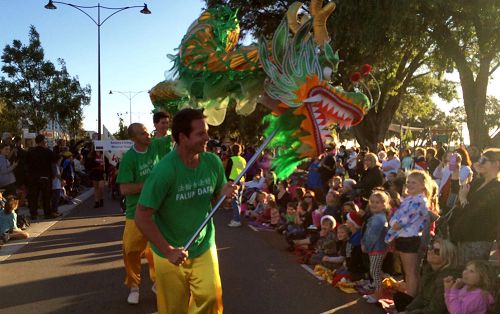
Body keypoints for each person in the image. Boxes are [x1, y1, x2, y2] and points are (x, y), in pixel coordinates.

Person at [135, 108, 236, 314]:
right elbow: (142, 216)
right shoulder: (164, 171)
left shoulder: (213, 163)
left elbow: (220, 200)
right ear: (182, 137)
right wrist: (168, 250)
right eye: (201, 133)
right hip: (168, 252)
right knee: (173, 309)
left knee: (211, 298)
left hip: (203, 246)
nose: (207, 137)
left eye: (207, 131)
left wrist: (226, 197)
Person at [116, 123, 172, 304]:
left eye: (148, 132)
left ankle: (159, 283)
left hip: (159, 211)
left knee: (159, 251)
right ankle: (134, 286)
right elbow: (124, 189)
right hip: (136, 213)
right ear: (133, 138)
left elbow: (174, 137)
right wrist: (150, 184)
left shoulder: (155, 145)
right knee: (130, 250)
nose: (148, 136)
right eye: (143, 134)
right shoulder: (129, 159)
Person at [385, 170, 432, 297]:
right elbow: (398, 215)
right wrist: (394, 221)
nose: (410, 185)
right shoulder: (410, 199)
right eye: (408, 182)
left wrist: (395, 223)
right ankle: (411, 295)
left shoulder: (419, 200)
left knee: (411, 272)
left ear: (423, 185)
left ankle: (410, 298)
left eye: (414, 183)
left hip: (410, 238)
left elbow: (406, 218)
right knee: (410, 272)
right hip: (404, 237)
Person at [450, 148, 500, 265]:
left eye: (484, 160)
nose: (479, 162)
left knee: (471, 278)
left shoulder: (496, 188)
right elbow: (457, 192)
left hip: (478, 239)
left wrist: (463, 200)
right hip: (462, 237)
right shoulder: (478, 183)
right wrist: (456, 168)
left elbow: (477, 212)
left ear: (496, 164)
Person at [394, 238, 460, 313]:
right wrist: (407, 310)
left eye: (436, 251)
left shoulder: (447, 278)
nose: (430, 251)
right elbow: (422, 296)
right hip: (426, 307)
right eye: (430, 248)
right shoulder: (429, 271)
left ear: (447, 257)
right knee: (399, 297)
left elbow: (436, 309)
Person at [361, 191, 389, 303]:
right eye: (372, 202)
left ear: (384, 204)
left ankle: (378, 295)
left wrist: (366, 246)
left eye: (377, 202)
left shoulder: (378, 219)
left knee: (375, 272)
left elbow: (372, 236)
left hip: (377, 249)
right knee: (375, 271)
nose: (373, 204)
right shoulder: (376, 216)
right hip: (375, 248)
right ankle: (377, 292)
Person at [26, 134, 58, 219]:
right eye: (45, 141)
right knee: (46, 196)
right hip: (45, 177)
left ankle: (33, 214)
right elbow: (55, 159)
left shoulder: (30, 151)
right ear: (43, 142)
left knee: (34, 197)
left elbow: (27, 163)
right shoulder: (47, 151)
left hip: (33, 177)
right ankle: (47, 213)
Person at [225, 143, 246, 227]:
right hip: (241, 181)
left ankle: (237, 220)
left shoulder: (231, 159)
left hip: (233, 181)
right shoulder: (243, 160)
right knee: (238, 202)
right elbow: (245, 171)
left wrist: (226, 182)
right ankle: (237, 218)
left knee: (235, 202)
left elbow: (227, 171)